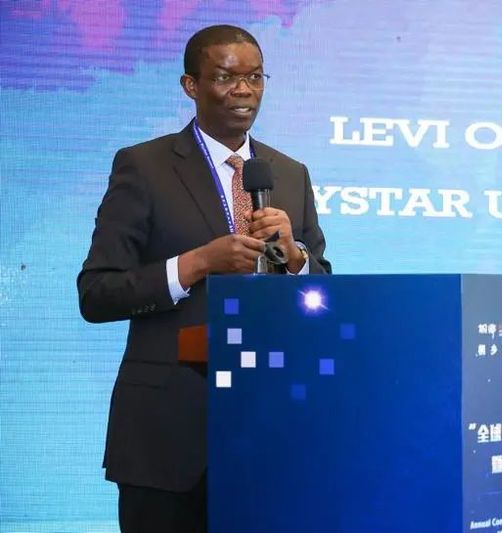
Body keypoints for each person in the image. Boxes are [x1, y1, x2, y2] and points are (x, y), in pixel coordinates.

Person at [77, 24, 331, 532]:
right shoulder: (144, 167)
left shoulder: (289, 172)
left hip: (270, 427)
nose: (244, 90)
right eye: (226, 77)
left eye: (255, 77)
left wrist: (295, 257)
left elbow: (322, 293)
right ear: (191, 85)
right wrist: (195, 264)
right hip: (168, 434)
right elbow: (97, 294)